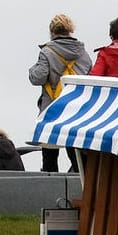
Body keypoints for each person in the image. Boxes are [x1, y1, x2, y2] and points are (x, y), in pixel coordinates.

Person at [28, 13, 92, 172]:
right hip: (76, 110)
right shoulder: (83, 54)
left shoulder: (47, 52)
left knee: (50, 157)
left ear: (52, 32)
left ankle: (50, 191)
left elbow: (37, 78)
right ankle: (81, 189)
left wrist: (31, 69)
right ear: (71, 30)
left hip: (53, 109)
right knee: (76, 155)